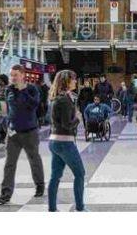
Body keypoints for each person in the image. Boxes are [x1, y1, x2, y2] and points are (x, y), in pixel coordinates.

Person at [0, 64, 45, 205]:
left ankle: (40, 186)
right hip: (13, 133)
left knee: (34, 160)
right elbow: (8, 108)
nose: (13, 78)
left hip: (30, 132)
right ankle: (5, 194)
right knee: (9, 164)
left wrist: (23, 91)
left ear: (23, 75)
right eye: (11, 75)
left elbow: (34, 104)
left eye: (15, 75)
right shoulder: (9, 90)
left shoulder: (32, 89)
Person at [48, 70, 85, 212]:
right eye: (74, 79)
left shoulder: (59, 98)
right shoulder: (64, 100)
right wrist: (77, 119)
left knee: (55, 176)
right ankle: (80, 208)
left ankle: (52, 209)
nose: (76, 81)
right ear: (66, 81)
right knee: (80, 173)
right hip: (64, 142)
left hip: (55, 141)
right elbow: (67, 124)